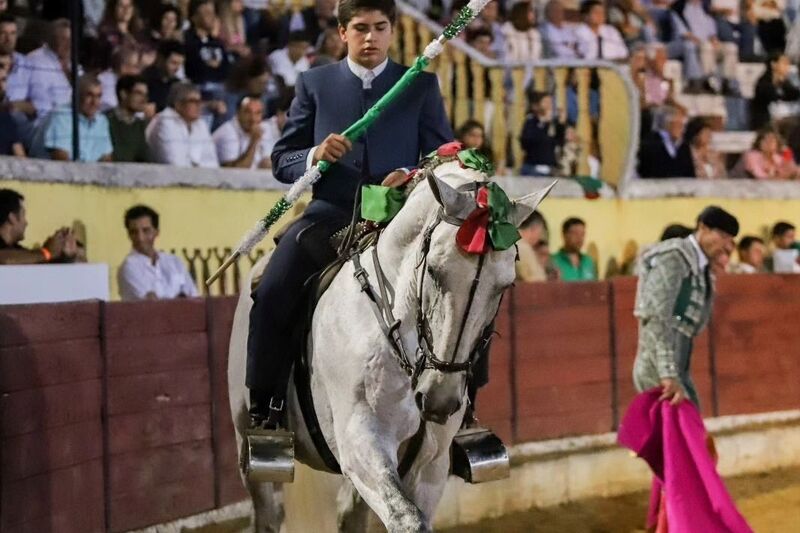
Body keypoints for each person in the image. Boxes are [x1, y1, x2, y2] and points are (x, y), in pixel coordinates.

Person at [246, 0, 452, 431]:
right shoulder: (315, 84)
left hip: (400, 218)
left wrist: (411, 174)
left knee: (464, 285)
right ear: (342, 33)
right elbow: (282, 159)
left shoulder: (419, 86)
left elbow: (442, 157)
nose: (370, 37)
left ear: (393, 31)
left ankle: (464, 413)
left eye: (380, 27)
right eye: (360, 28)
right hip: (330, 215)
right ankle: (266, 408)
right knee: (272, 292)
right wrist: (315, 154)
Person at [633, 205, 738, 407]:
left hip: (678, 366)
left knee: (686, 430)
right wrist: (667, 374)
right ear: (703, 228)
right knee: (680, 433)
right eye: (723, 236)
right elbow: (656, 316)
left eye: (731, 240)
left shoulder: (701, 264)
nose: (728, 246)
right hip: (658, 367)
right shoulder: (674, 255)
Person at [118, 204, 199, 301]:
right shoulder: (129, 267)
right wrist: (179, 298)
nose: (140, 238)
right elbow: (152, 305)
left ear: (156, 232)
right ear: (129, 235)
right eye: (134, 232)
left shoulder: (175, 262)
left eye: (146, 231)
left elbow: (192, 297)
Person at [30, 75, 113, 162]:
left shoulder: (101, 121)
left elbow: (106, 158)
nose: (95, 102)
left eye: (98, 96)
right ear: (76, 96)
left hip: (88, 173)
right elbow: (60, 158)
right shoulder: (61, 116)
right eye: (89, 95)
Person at [145, 82, 219, 167]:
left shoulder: (200, 124)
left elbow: (213, 163)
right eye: (193, 101)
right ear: (178, 104)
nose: (198, 105)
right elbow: (174, 163)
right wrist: (198, 166)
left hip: (197, 178)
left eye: (199, 101)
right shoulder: (164, 121)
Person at [0, 188, 78, 264]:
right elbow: (5, 260)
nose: (26, 223)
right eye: (23, 215)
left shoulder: (17, 250)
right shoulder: (8, 254)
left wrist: (65, 255)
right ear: (12, 218)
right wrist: (47, 252)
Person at [213, 96, 277, 168]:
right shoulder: (227, 133)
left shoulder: (263, 128)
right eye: (248, 112)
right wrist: (254, 141)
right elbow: (234, 172)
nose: (253, 118)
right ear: (238, 113)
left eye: (258, 113)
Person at [637, 105, 695, 178]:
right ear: (667, 124)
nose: (683, 130)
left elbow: (690, 175)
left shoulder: (684, 147)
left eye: (683, 126)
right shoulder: (649, 145)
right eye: (679, 125)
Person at [519, 90, 565, 176]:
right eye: (546, 102)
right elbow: (526, 143)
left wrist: (561, 125)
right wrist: (542, 124)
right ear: (536, 106)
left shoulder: (553, 123)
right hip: (533, 168)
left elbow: (559, 142)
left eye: (550, 102)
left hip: (550, 168)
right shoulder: (531, 121)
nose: (549, 105)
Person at [750, 53, 800, 131]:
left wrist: (784, 83)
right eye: (784, 63)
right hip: (765, 122)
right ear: (773, 64)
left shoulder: (785, 83)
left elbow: (794, 95)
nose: (787, 67)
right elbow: (773, 98)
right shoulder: (763, 83)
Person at [107, 74, 151, 163]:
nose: (144, 99)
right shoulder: (106, 121)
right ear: (124, 94)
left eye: (145, 95)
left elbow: (144, 157)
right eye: (139, 93)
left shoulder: (140, 125)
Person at [731, 128, 800, 180]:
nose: (769, 143)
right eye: (766, 140)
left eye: (772, 141)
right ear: (759, 143)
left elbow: (791, 172)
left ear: (777, 144)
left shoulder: (777, 158)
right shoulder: (751, 156)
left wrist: (787, 154)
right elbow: (759, 177)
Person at [142, 40, 185, 112]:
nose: (177, 68)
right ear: (160, 59)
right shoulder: (145, 80)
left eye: (179, 64)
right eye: (173, 63)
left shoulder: (177, 84)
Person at [551, 217, 598, 281]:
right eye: (575, 233)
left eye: (582, 234)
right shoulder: (553, 261)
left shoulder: (589, 261)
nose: (579, 238)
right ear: (564, 235)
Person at [516, 210, 549, 282]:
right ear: (535, 228)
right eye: (540, 232)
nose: (539, 237)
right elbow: (537, 282)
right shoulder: (522, 248)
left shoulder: (507, 242)